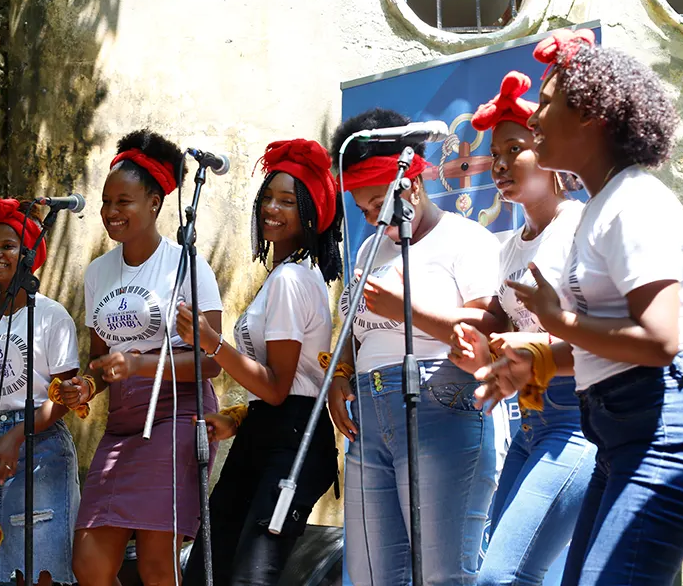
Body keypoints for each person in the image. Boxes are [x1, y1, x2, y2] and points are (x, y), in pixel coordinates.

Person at [474, 29, 683, 586]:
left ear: (591, 113)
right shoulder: (602, 207)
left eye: (547, 101)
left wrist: (553, 322)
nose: (536, 115)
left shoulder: (635, 200)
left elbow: (662, 338)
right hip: (617, 435)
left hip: (662, 437)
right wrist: (541, 359)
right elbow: (609, 345)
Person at [327, 108, 506, 585]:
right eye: (361, 209)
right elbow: (353, 328)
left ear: (409, 185)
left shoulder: (466, 239)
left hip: (440, 401)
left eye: (373, 205)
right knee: (371, 576)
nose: (368, 217)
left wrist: (405, 308)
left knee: (442, 574)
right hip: (367, 413)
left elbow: (489, 326)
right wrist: (340, 375)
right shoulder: (368, 251)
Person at [447, 70, 596, 586]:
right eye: (496, 154)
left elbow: (598, 331)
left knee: (503, 577)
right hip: (529, 421)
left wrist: (527, 345)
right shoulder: (509, 246)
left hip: (577, 423)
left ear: (547, 152)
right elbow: (495, 326)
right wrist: (470, 338)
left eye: (515, 148)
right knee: (495, 570)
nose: (502, 164)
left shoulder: (580, 225)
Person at [60, 129, 223, 586]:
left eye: (123, 202)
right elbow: (99, 358)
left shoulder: (187, 266)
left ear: (154, 202)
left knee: (156, 564)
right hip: (123, 423)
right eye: (106, 202)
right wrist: (87, 386)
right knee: (89, 565)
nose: (111, 213)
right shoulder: (98, 272)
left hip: (176, 415)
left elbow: (212, 362)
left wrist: (140, 365)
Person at [177, 138, 340, 586]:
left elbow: (278, 387)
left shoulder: (290, 279)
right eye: (268, 196)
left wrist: (211, 343)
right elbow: (273, 391)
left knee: (251, 576)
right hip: (267, 430)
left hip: (294, 439)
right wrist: (238, 417)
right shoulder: (285, 277)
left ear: (310, 213)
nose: (272, 207)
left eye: (287, 201)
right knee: (208, 567)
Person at [0, 198, 81, 585]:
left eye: (7, 246)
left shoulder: (52, 315)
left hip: (41, 443)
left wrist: (17, 433)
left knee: (40, 568)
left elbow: (66, 396)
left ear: (28, 253)